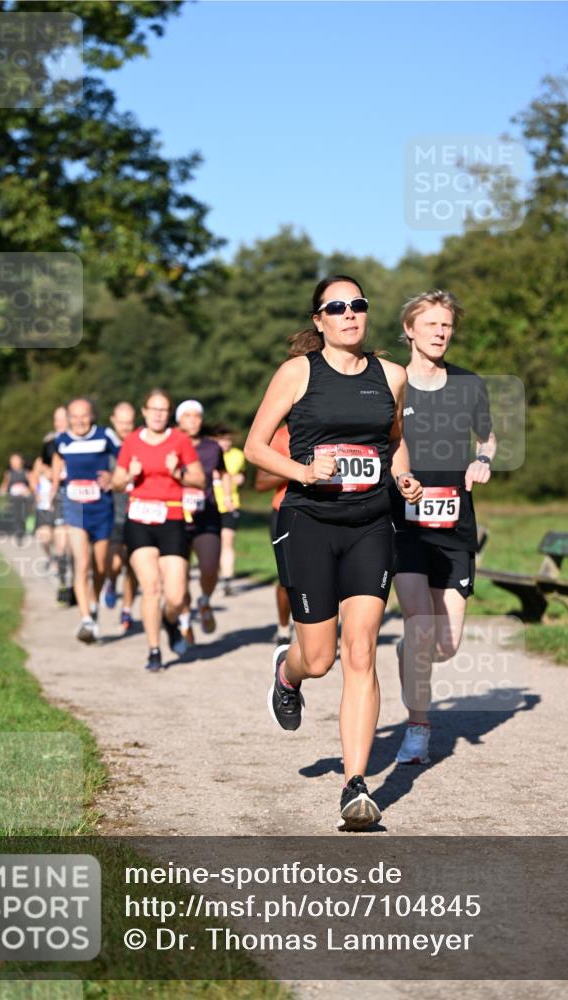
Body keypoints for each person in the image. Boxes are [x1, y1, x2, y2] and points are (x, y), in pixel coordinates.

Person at [244, 275, 422, 830]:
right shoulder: (298, 373)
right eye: (337, 307)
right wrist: (302, 471)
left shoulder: (391, 375)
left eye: (358, 305)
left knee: (361, 650)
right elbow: (253, 447)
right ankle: (288, 674)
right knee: (320, 658)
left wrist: (405, 476)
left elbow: (392, 440)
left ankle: (355, 786)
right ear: (319, 320)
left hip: (371, 524)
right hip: (309, 522)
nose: (350, 314)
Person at [392, 290, 496, 766]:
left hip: (454, 526)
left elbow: (487, 436)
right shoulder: (391, 383)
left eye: (447, 326)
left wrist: (480, 461)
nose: (440, 332)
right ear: (410, 330)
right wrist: (397, 476)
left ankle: (410, 657)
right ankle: (419, 726)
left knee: (446, 646)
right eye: (431, 324)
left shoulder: (469, 384)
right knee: (419, 627)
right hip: (405, 525)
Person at [112, 388, 205, 671]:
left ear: (169, 413)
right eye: (153, 409)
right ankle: (154, 651)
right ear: (144, 412)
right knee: (150, 587)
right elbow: (116, 483)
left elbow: (200, 480)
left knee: (176, 595)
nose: (158, 415)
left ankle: (170, 619)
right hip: (139, 518)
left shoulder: (180, 441)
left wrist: (178, 472)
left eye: (163, 410)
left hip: (172, 517)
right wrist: (130, 473)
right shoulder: (131, 442)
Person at [50, 398, 120, 643]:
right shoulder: (62, 439)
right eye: (74, 416)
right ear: (68, 418)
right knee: (83, 562)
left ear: (92, 416)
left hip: (102, 509)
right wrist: (54, 484)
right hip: (75, 508)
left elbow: (124, 458)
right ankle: (86, 619)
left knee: (100, 566)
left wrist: (113, 476)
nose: (79, 421)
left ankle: (93, 602)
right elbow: (57, 458)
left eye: (84, 415)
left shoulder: (105, 435)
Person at [176, 400, 232, 636]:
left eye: (197, 416)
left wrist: (227, 496)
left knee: (209, 568)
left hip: (207, 512)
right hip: (175, 516)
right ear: (179, 420)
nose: (192, 420)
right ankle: (185, 620)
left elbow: (224, 472)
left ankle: (204, 600)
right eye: (187, 416)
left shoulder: (212, 447)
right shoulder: (171, 445)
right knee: (179, 574)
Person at [255, 423, 294, 645]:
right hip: (284, 510)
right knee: (287, 576)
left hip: (322, 511)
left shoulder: (330, 428)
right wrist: (296, 469)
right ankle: (283, 628)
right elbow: (260, 483)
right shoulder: (280, 436)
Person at [103, 401, 138, 632]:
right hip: (111, 513)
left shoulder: (140, 443)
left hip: (136, 512)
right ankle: (110, 582)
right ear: (113, 421)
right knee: (114, 563)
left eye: (129, 422)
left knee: (132, 565)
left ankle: (127, 609)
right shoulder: (104, 446)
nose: (125, 427)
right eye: (121, 422)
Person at [41, 406, 73, 603]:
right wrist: (51, 481)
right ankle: (64, 585)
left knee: (78, 547)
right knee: (61, 544)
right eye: (56, 419)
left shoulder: (84, 440)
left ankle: (79, 584)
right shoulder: (51, 444)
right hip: (62, 495)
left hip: (85, 498)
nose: (58, 423)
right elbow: (43, 464)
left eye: (62, 419)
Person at [212, 425, 246, 596]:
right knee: (214, 543)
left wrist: (241, 478)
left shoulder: (238, 455)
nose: (225, 443)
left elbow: (241, 475)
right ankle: (216, 575)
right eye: (221, 440)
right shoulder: (209, 454)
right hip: (211, 504)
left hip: (231, 504)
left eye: (227, 439)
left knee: (227, 540)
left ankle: (227, 579)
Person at [0, 453, 33, 544]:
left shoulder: (26, 473)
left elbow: (33, 486)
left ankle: (24, 529)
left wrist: (28, 491)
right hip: (13, 499)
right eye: (12, 461)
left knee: (23, 516)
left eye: (16, 460)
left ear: (21, 461)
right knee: (16, 516)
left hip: (24, 499)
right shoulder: (8, 474)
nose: (14, 463)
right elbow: (5, 484)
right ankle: (18, 534)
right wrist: (2, 491)